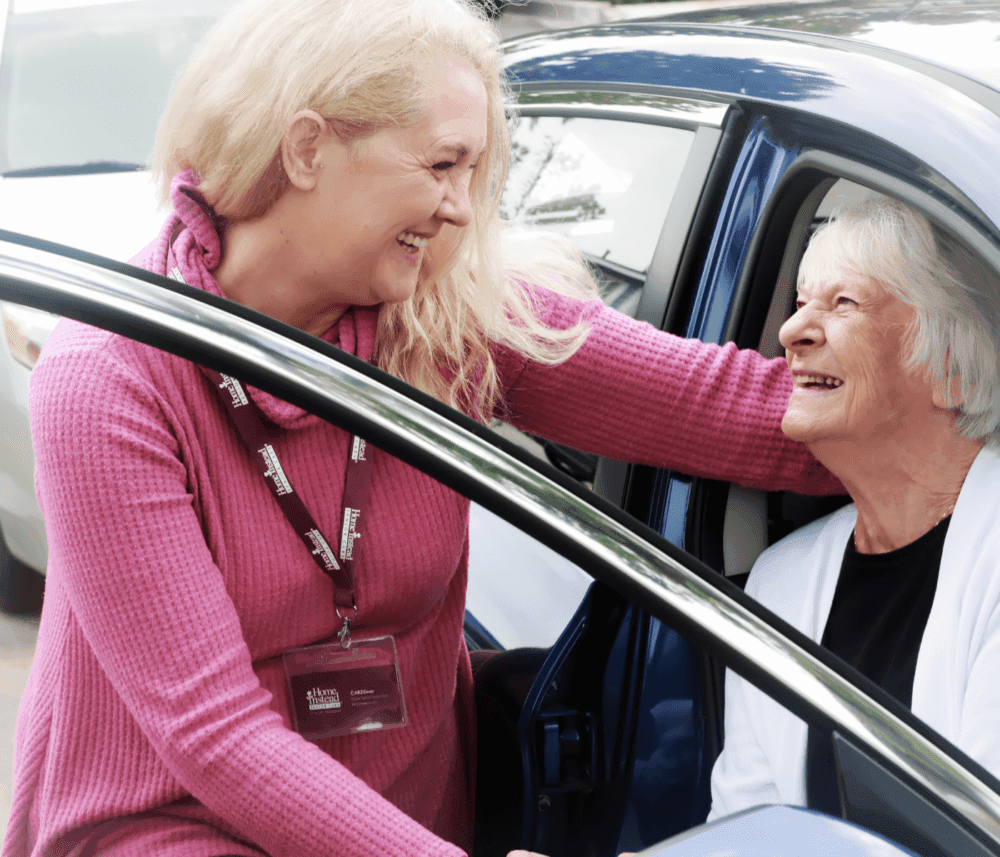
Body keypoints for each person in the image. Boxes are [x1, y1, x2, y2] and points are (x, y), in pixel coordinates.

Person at [4, 1, 841, 855]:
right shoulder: (111, 378)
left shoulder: (446, 320)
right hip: (174, 825)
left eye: (474, 173)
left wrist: (939, 426)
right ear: (305, 148)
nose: (462, 210)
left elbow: (730, 411)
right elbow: (215, 734)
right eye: (443, 165)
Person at [708, 194, 1000, 819]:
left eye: (844, 303)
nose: (790, 333)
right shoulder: (781, 579)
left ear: (955, 369)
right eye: (800, 303)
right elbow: (747, 832)